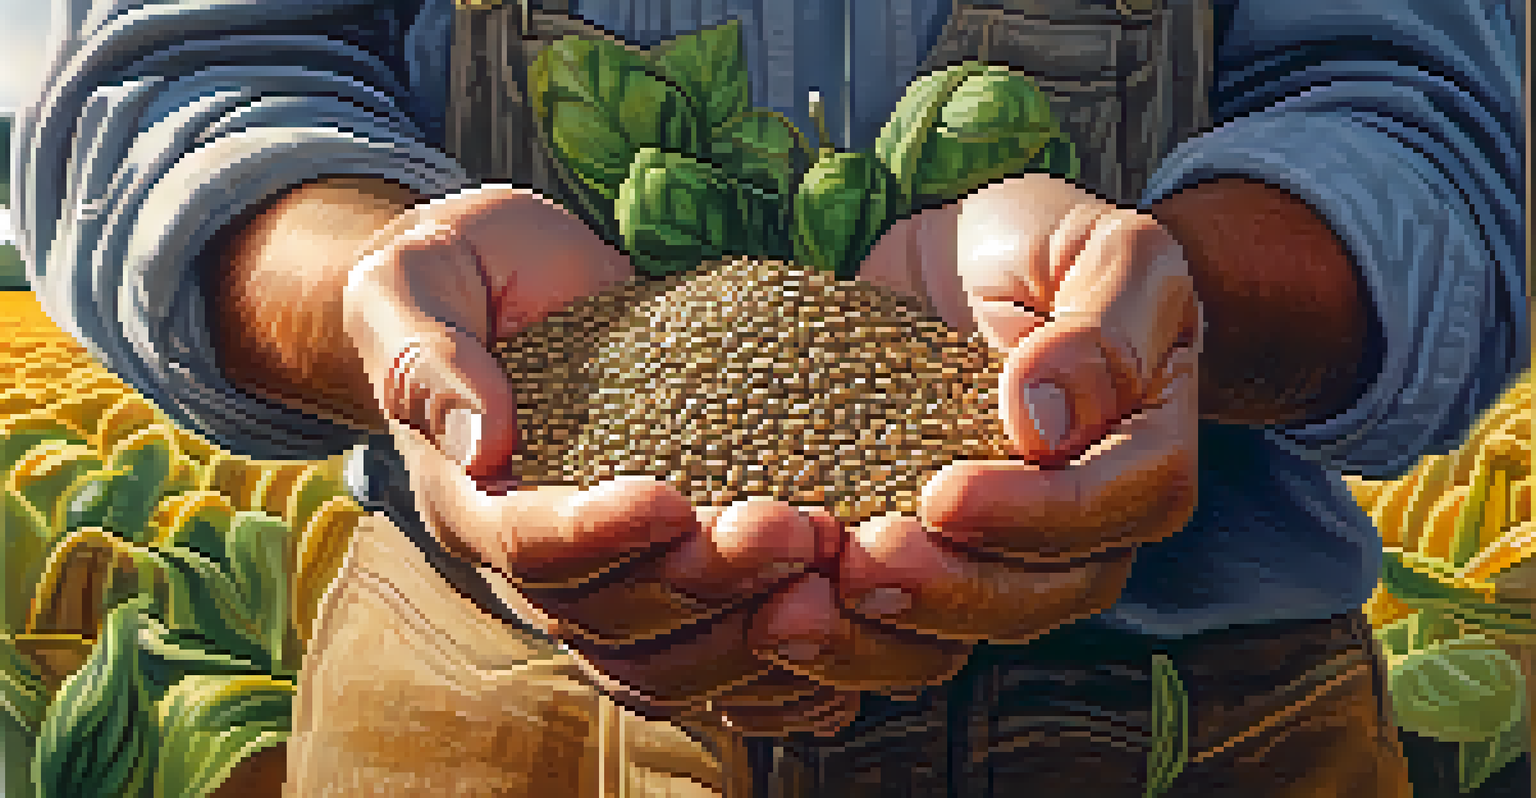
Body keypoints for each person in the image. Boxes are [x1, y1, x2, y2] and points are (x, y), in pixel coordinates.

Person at [11, 0, 1524, 795]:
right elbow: (177, 88)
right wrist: (380, 291)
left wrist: (1172, 299)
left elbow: (1427, 123)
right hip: (473, 722)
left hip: (1181, 732)